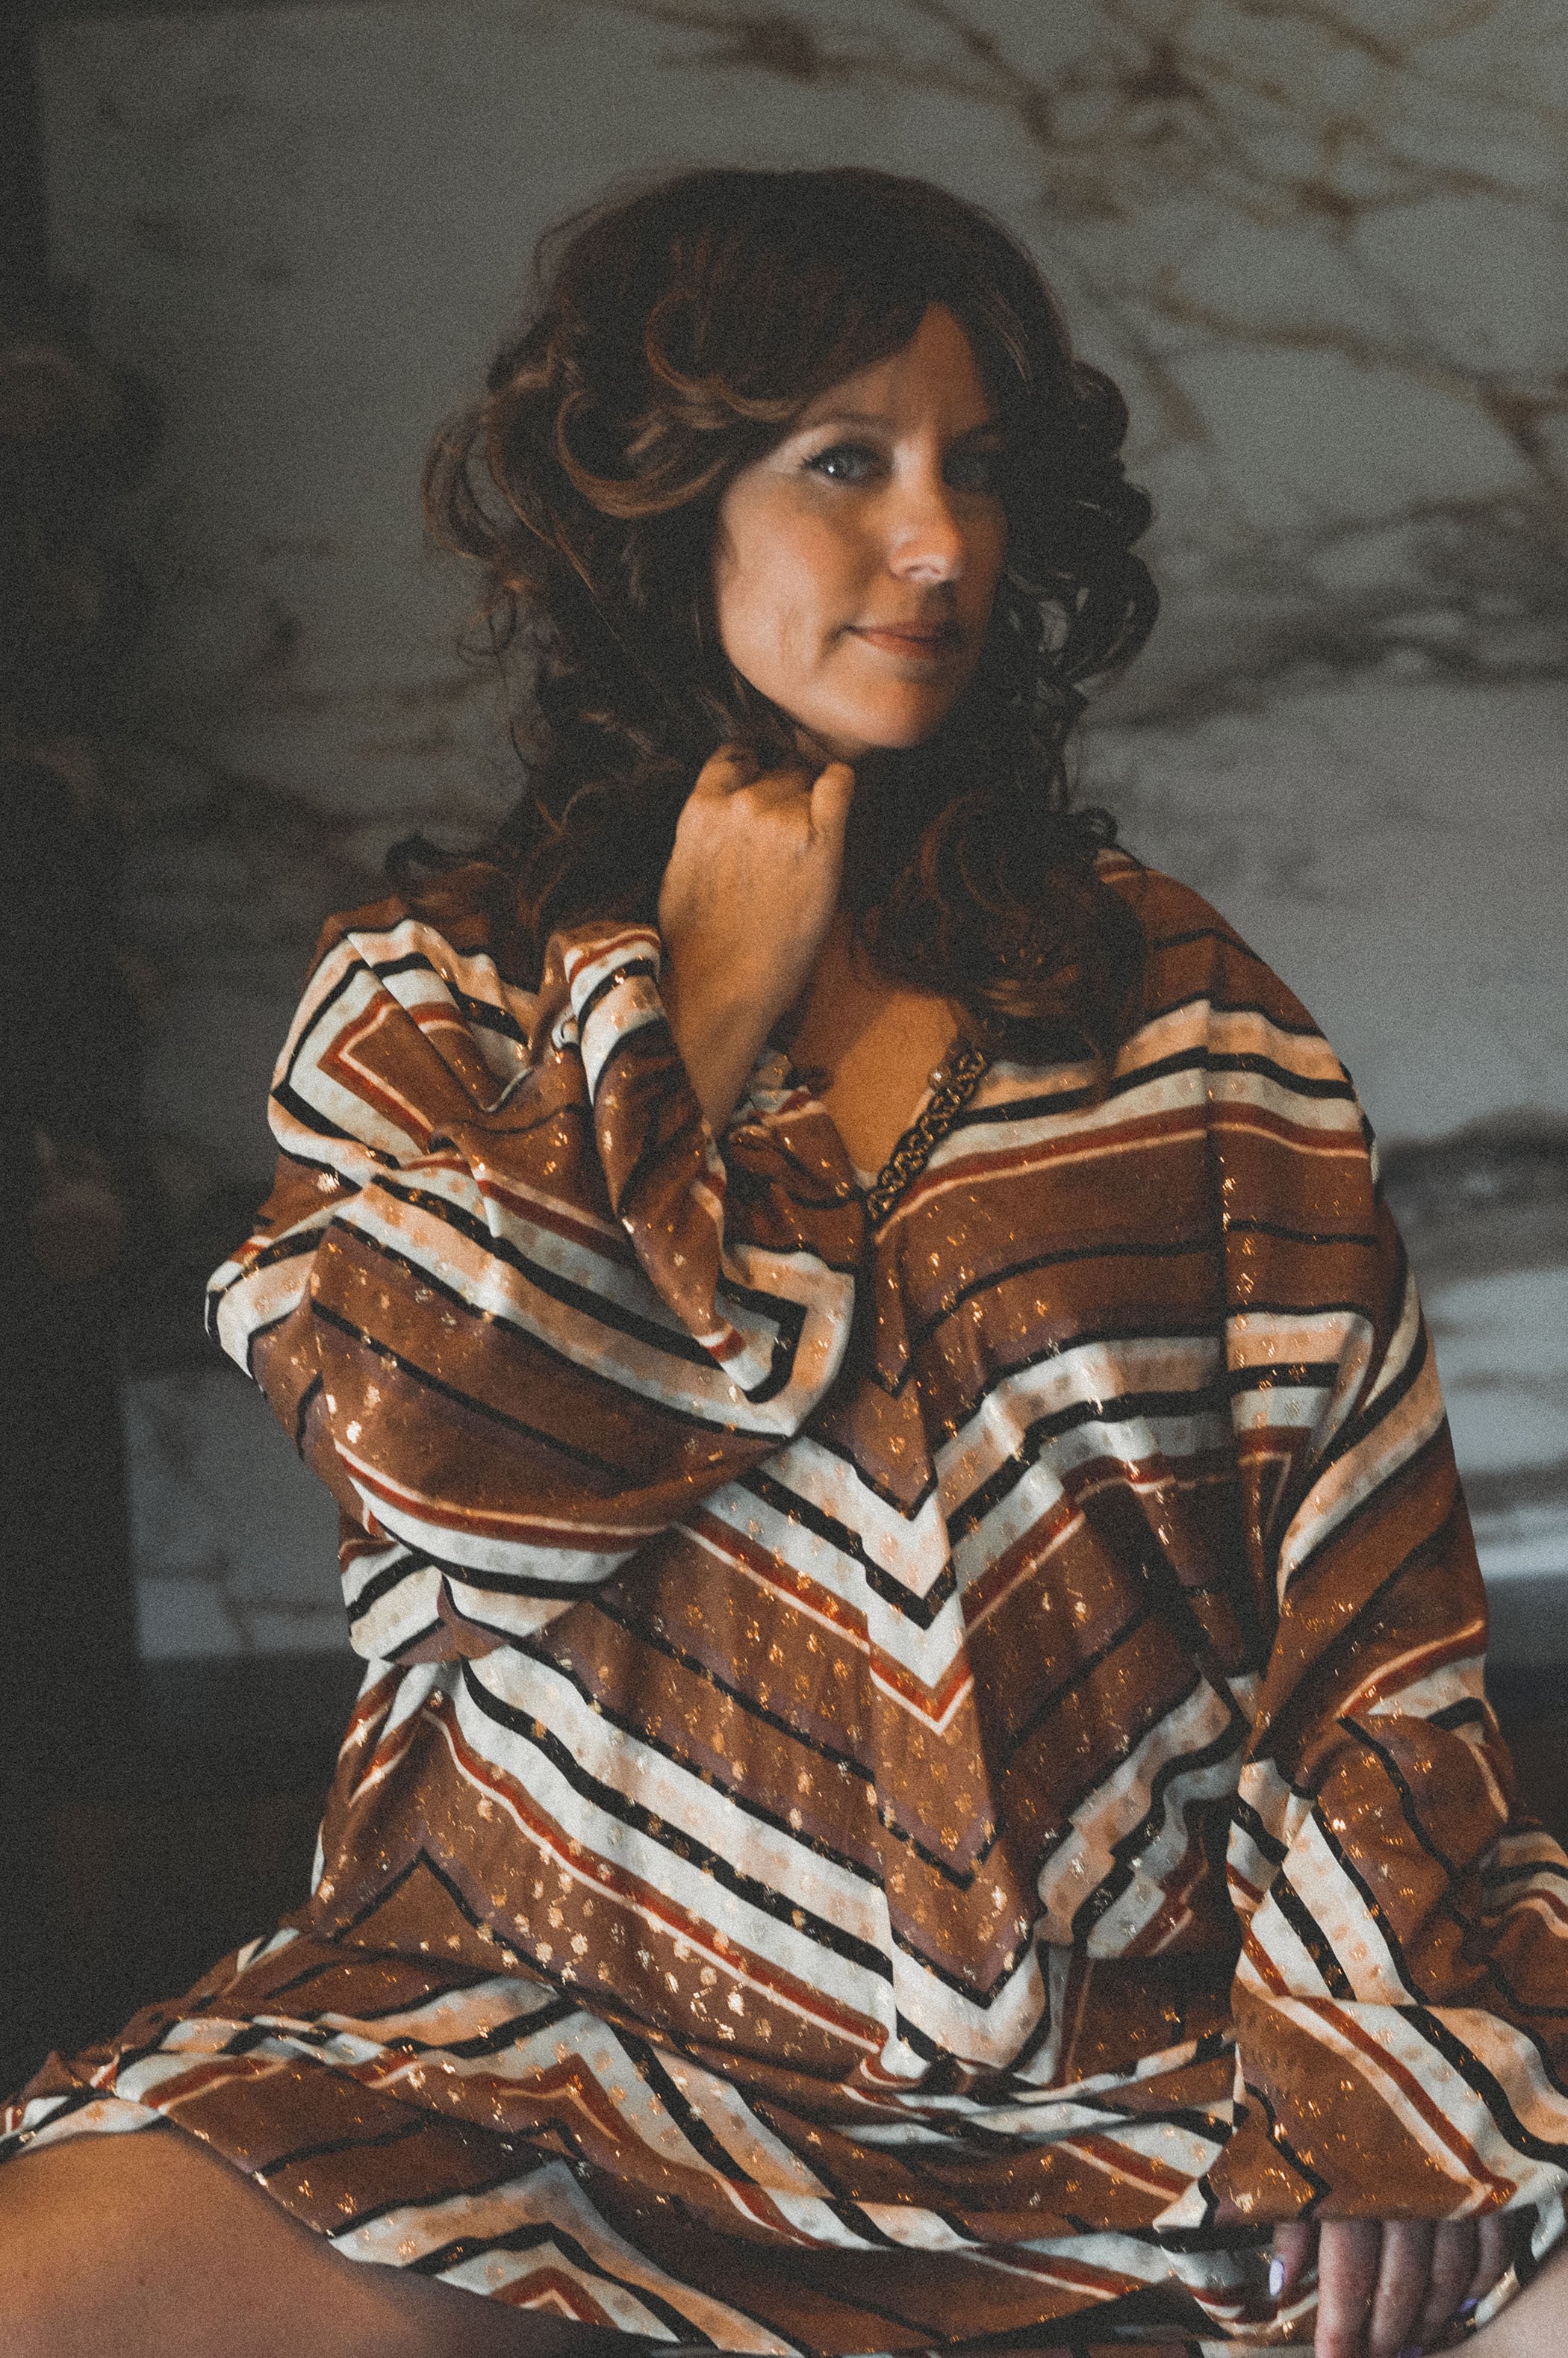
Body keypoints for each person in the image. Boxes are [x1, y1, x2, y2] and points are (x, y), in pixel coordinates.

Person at [1, 167, 1564, 2358]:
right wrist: (693, 1009)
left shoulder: (1173, 1012)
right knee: (47, 2294)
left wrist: (1379, 2069)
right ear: (664, 508)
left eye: (976, 469)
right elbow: (441, 1479)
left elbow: (1363, 1593)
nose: (936, 543)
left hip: (1136, 2082)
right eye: (845, 462)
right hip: (545, 2059)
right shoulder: (428, 1007)